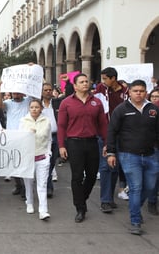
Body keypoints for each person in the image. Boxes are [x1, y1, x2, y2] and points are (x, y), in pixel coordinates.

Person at [107, 80, 159, 235]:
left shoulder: (153, 110)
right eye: (135, 90)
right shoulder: (121, 110)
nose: (139, 93)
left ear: (146, 92)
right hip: (129, 155)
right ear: (129, 91)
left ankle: (135, 208)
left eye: (142, 91)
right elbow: (112, 132)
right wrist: (111, 152)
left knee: (150, 187)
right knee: (136, 188)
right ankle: (135, 220)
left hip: (151, 154)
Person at [57, 73, 107, 223]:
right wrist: (61, 145)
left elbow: (103, 125)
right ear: (75, 85)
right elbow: (61, 126)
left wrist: (106, 143)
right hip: (74, 143)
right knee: (77, 176)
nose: (85, 84)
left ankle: (81, 198)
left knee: (92, 175)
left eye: (87, 81)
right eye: (82, 82)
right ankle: (80, 207)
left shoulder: (96, 102)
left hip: (92, 142)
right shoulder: (66, 103)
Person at [94, 67, 129, 213]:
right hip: (106, 133)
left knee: (115, 167)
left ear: (113, 78)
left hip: (124, 134)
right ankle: (105, 201)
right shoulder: (102, 89)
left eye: (105, 78)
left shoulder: (126, 92)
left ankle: (110, 198)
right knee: (106, 167)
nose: (102, 81)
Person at [19, 99, 52, 220]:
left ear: (41, 109)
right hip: (28, 157)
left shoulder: (46, 121)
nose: (34, 109)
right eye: (32, 107)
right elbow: (19, 138)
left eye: (36, 107)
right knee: (28, 182)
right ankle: (29, 201)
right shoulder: (23, 121)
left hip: (42, 156)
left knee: (42, 184)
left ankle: (43, 210)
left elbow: (48, 138)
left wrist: (48, 153)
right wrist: (28, 133)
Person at [0, 89, 31, 199]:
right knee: (14, 162)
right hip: (12, 136)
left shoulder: (27, 101)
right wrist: (1, 90)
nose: (16, 94)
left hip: (25, 135)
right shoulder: (8, 103)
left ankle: (26, 188)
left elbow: (35, 94)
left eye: (18, 92)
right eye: (14, 92)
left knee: (24, 163)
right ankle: (18, 185)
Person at [41, 83, 62, 198]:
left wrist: (68, 83)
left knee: (53, 162)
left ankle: (46, 184)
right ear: (41, 92)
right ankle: (48, 187)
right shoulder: (38, 105)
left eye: (50, 90)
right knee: (46, 163)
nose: (48, 92)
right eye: (45, 90)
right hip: (44, 138)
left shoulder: (58, 103)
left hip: (56, 136)